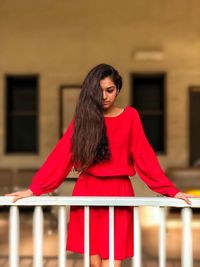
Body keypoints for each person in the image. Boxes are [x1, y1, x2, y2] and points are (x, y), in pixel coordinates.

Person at [6, 63, 195, 267]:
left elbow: (145, 157)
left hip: (118, 192)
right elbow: (61, 156)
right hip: (88, 192)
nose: (104, 96)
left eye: (110, 90)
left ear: (118, 90)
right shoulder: (83, 118)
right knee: (95, 264)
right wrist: (35, 189)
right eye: (99, 90)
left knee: (112, 263)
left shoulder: (130, 117)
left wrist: (171, 191)